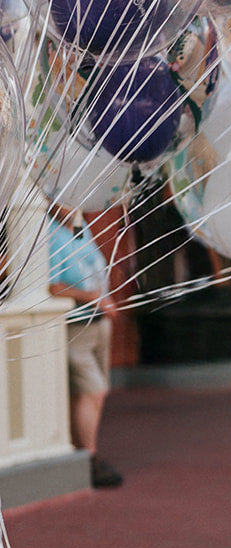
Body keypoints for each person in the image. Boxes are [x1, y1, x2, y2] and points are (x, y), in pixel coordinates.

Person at [46, 205, 122, 488]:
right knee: (92, 389)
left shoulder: (81, 227)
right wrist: (93, 298)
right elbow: (52, 285)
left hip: (99, 322)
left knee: (95, 391)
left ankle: (84, 450)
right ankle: (88, 458)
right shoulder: (48, 233)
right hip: (75, 325)